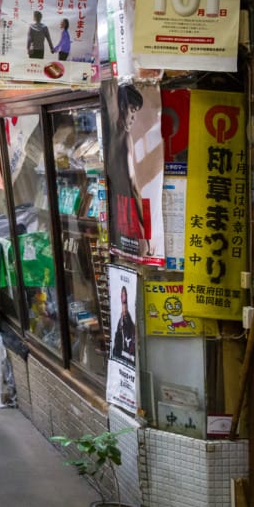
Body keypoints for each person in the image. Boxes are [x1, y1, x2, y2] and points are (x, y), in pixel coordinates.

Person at [109, 84, 149, 256]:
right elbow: (132, 183)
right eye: (132, 110)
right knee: (141, 253)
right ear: (123, 106)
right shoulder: (126, 137)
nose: (133, 117)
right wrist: (146, 231)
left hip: (115, 213)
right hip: (128, 215)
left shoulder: (110, 137)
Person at [111, 284, 136, 362]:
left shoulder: (129, 321)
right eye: (122, 295)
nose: (123, 297)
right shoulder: (120, 320)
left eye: (124, 295)